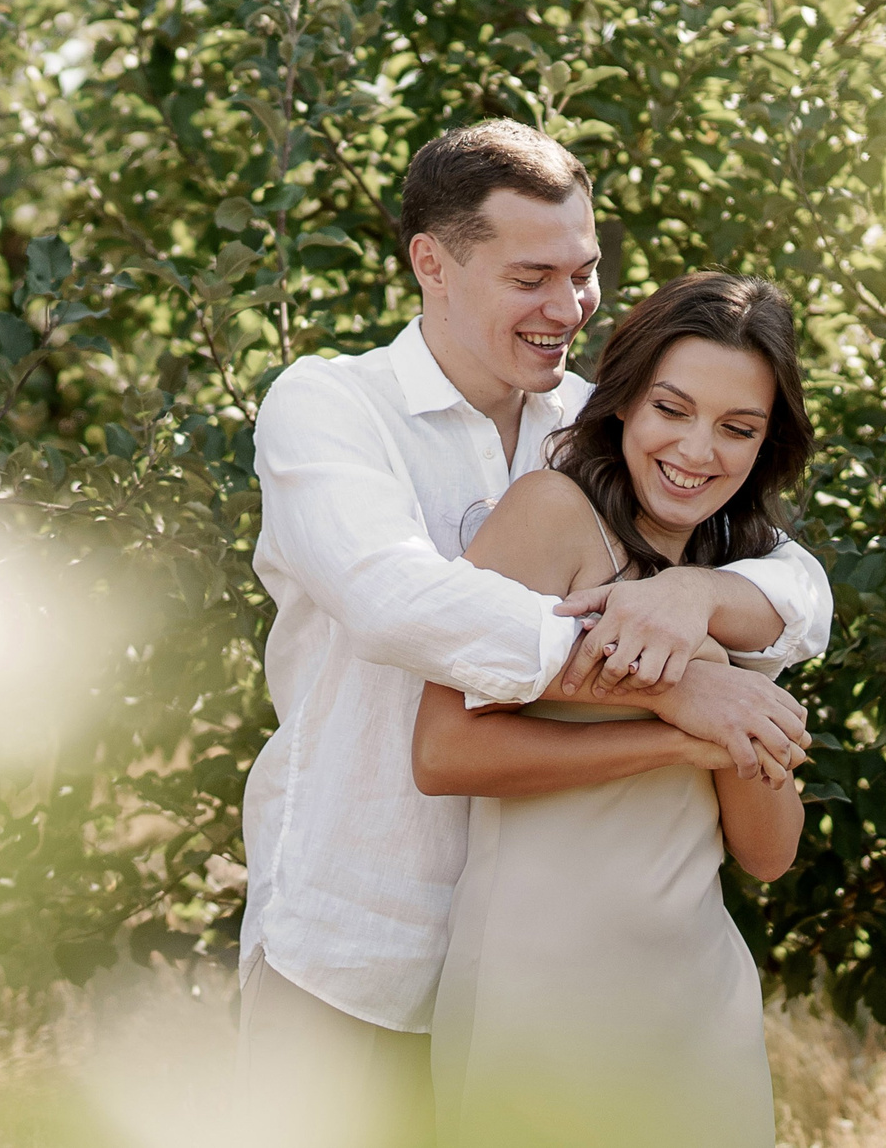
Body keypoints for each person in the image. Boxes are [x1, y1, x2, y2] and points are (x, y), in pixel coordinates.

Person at [236, 122, 831, 1147]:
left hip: (551, 957)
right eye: (532, 276)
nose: (568, 308)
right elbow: (396, 601)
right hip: (357, 931)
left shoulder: (598, 424)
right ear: (433, 259)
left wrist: (699, 605)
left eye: (585, 271)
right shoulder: (332, 406)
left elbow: (794, 578)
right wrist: (671, 686)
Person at [414, 271, 815, 1147]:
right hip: (535, 995)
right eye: (672, 409)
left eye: (737, 428)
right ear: (623, 401)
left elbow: (769, 852)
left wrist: (718, 666)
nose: (698, 450)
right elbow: (442, 753)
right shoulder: (550, 515)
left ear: (765, 445)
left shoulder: (738, 575)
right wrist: (675, 739)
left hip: (696, 1004)